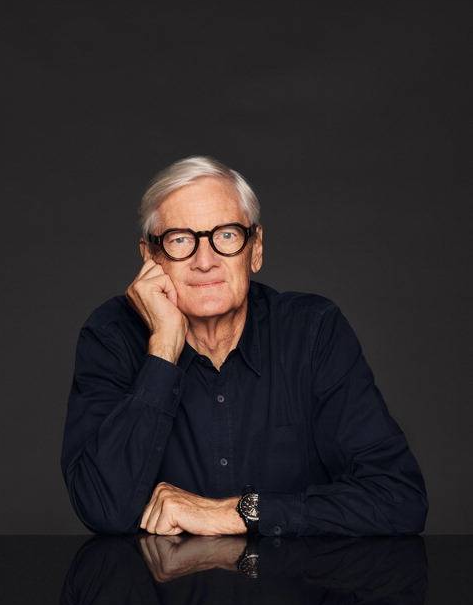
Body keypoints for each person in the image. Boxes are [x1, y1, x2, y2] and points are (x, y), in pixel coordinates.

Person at [60, 155, 429, 537]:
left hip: (296, 575)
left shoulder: (312, 331)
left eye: (227, 235)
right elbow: (101, 508)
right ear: (151, 258)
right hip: (161, 578)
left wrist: (239, 512)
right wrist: (163, 349)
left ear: (256, 249)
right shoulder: (111, 336)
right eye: (180, 240)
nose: (205, 261)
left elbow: (400, 499)